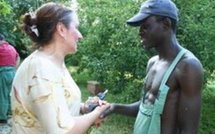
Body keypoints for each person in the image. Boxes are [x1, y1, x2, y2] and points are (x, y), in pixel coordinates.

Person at [101, 0, 204, 133]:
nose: (140, 32)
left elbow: (189, 130)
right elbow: (147, 106)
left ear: (166, 24)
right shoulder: (152, 63)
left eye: (145, 26)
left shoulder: (188, 67)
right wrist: (114, 107)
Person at [10, 2, 109, 134]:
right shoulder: (41, 69)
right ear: (61, 29)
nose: (80, 35)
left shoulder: (53, 64)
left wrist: (84, 108)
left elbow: (52, 106)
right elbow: (62, 131)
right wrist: (96, 113)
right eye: (76, 28)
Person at [0, 33, 19, 124]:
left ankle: (2, 117)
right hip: (13, 73)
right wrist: (15, 68)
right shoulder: (12, 48)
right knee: (9, 94)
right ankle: (10, 112)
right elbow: (17, 57)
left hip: (3, 73)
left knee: (2, 95)